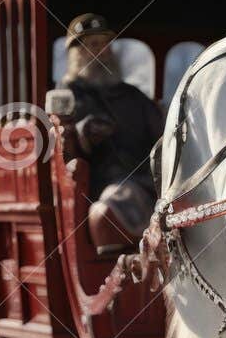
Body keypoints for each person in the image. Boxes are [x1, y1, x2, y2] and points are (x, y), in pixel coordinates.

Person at [59, 13, 165, 249]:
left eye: (106, 44)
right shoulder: (67, 97)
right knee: (116, 204)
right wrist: (82, 134)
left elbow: (162, 138)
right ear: (77, 53)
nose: (103, 51)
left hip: (150, 181)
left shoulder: (133, 96)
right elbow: (60, 145)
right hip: (101, 185)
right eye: (93, 45)